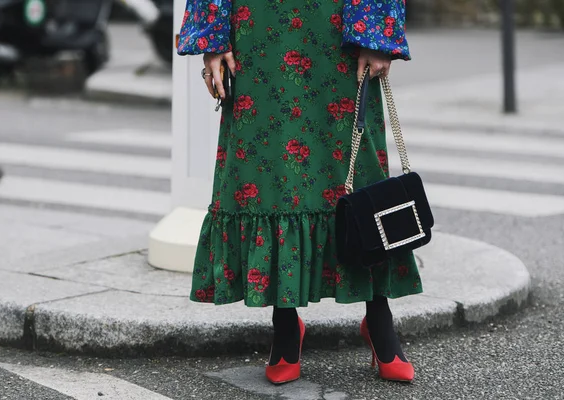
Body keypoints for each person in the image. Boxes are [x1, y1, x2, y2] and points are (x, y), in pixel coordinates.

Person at [177, 0, 422, 384]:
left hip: (336, 24)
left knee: (359, 170)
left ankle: (378, 318)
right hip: (257, 28)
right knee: (270, 170)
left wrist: (377, 32)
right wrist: (213, 36)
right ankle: (285, 323)